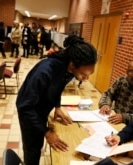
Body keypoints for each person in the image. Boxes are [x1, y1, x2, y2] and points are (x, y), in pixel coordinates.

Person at [16, 34, 97, 165]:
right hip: (29, 113)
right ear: (72, 64)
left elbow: (57, 87)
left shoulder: (69, 70)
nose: (86, 79)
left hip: (41, 108)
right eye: (84, 74)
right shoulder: (45, 71)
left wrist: (57, 106)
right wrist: (47, 132)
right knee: (33, 149)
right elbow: (24, 107)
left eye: (89, 75)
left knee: (39, 143)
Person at [99, 60, 133, 124]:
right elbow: (107, 94)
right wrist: (105, 104)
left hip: (132, 125)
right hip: (114, 118)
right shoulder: (121, 81)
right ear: (127, 72)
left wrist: (124, 117)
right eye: (131, 71)